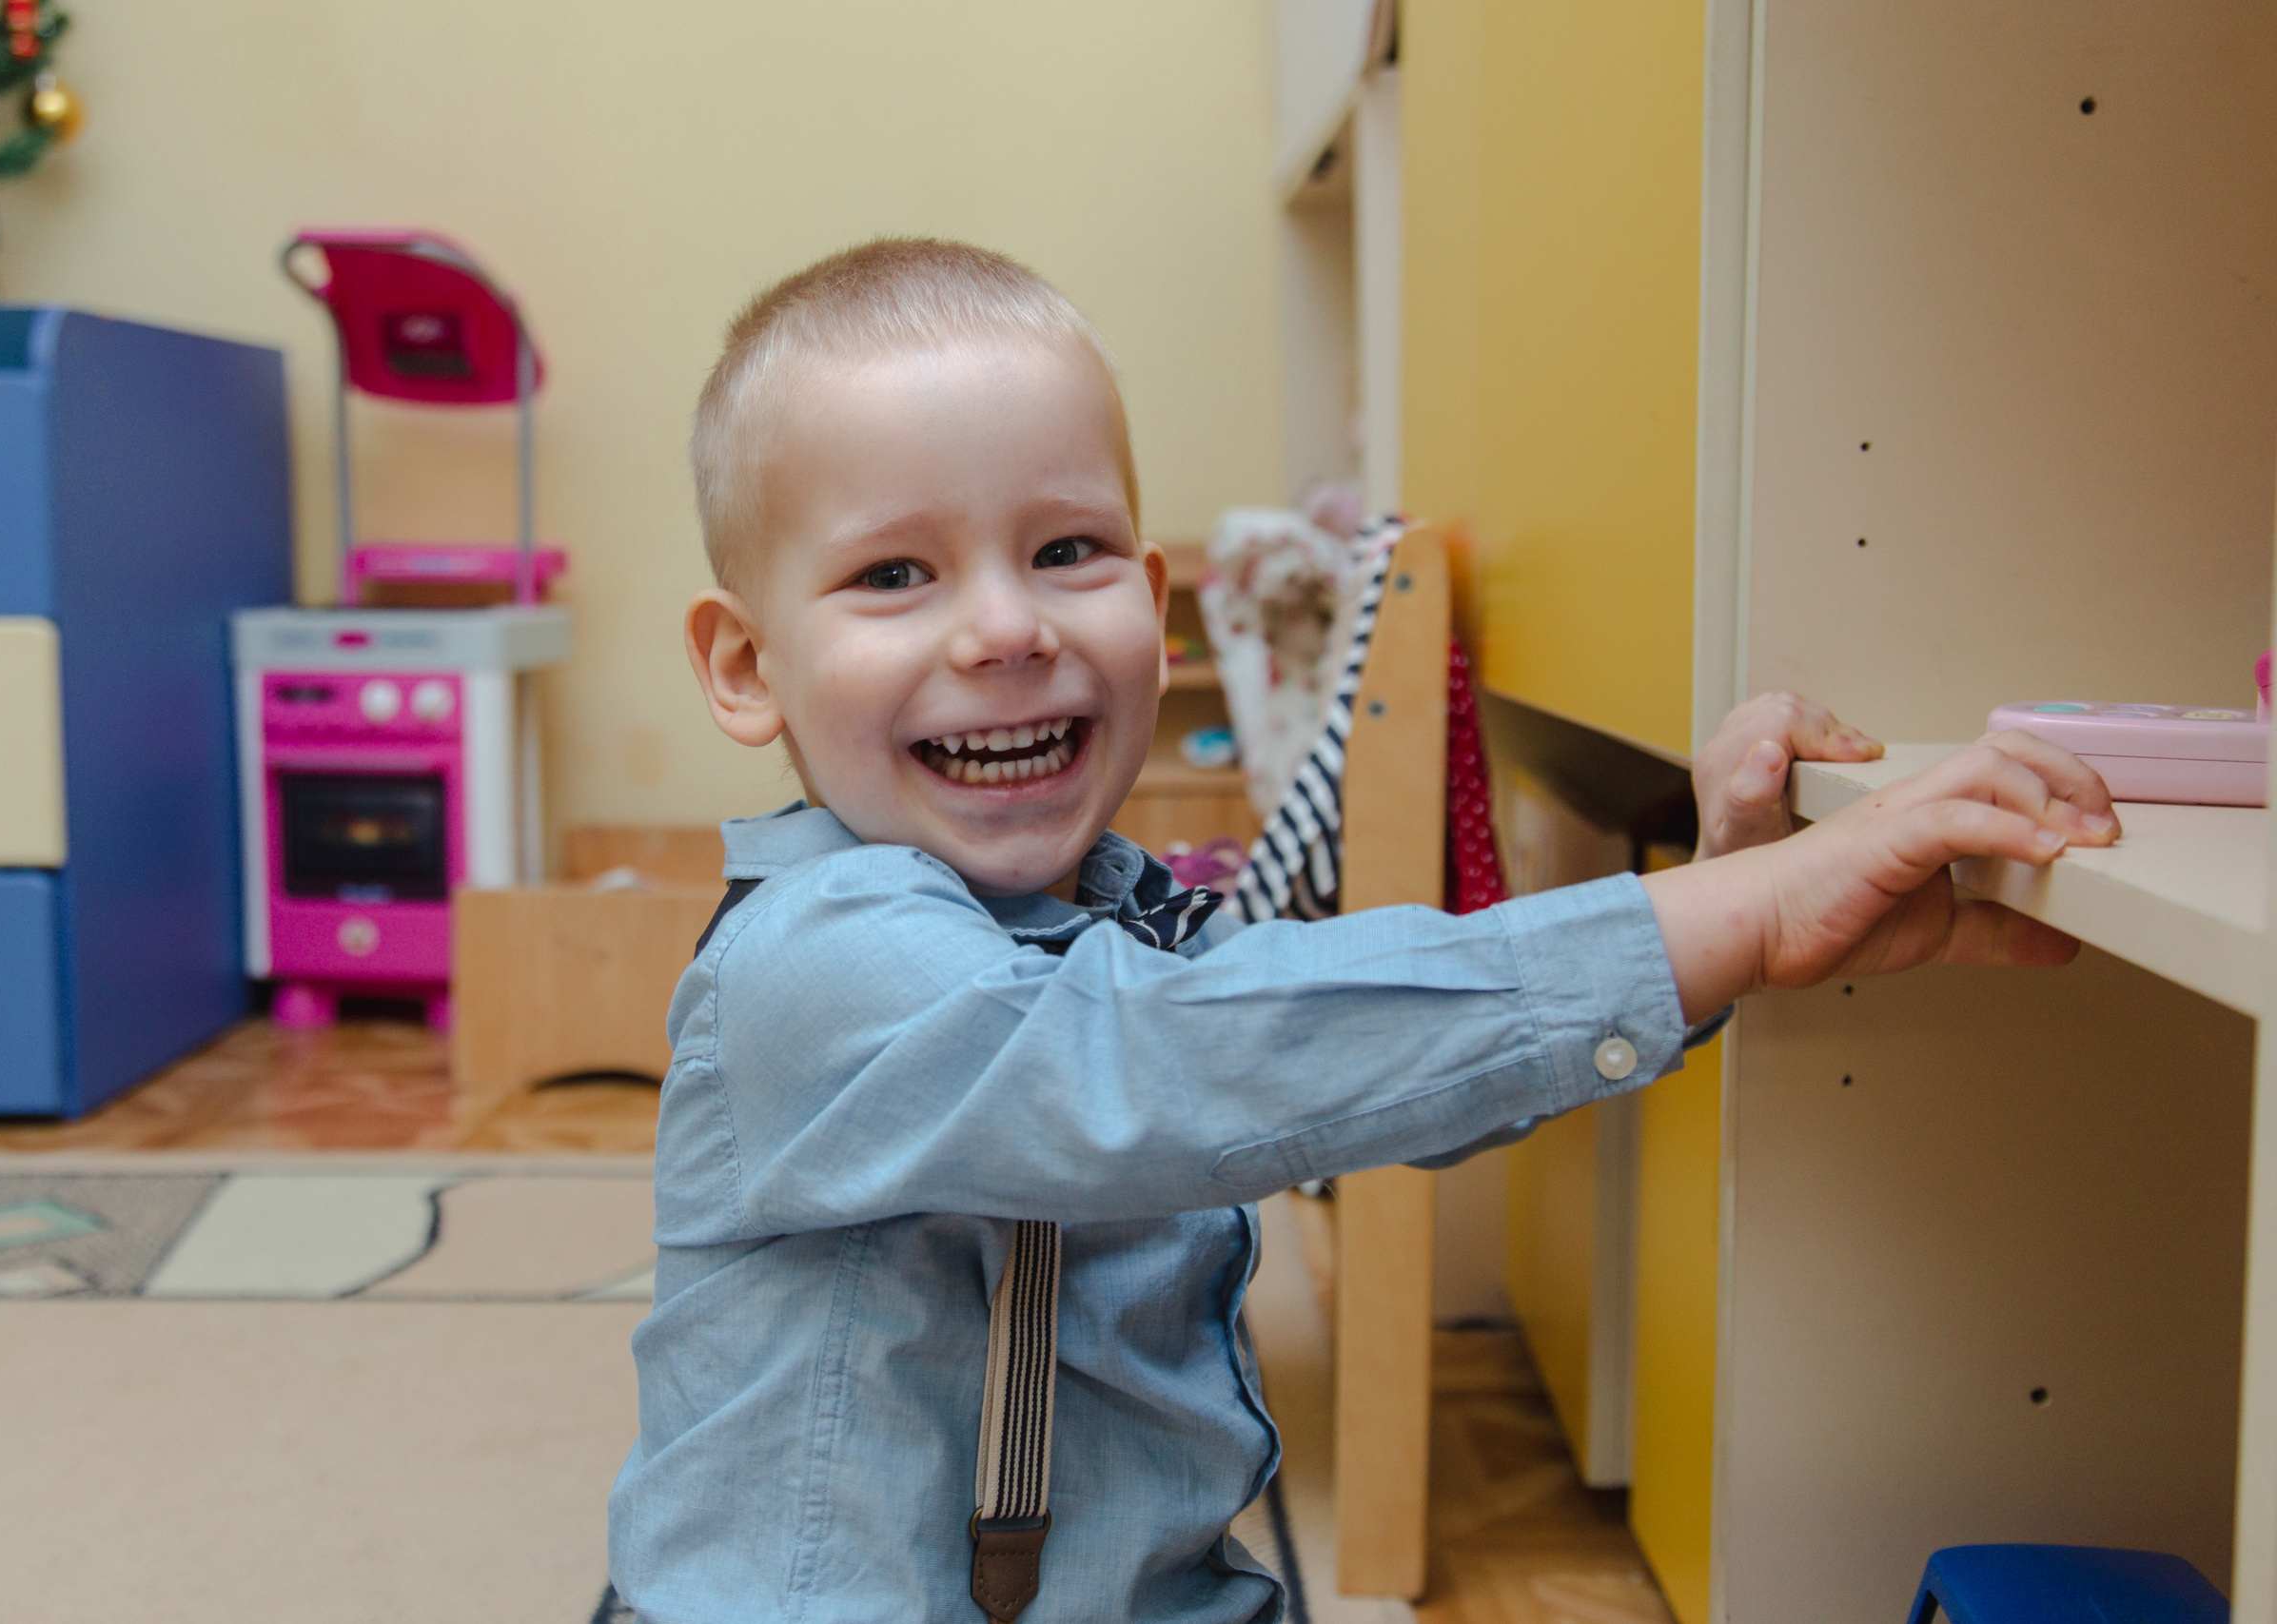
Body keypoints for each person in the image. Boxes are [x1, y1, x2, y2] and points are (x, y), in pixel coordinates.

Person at [607, 239, 2118, 1623]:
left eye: (1065, 551)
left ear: (1157, 603)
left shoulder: (1128, 922)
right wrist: (1716, 916)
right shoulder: (812, 964)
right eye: (893, 576)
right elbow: (1162, 1070)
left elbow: (1352, 1068)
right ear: (746, 666)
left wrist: (1733, 905)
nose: (1008, 629)